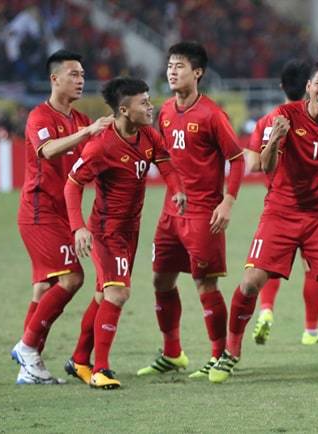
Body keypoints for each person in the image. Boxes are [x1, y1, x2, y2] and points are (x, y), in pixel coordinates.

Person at [208, 59, 318, 385]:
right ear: (308, 88)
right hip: (281, 211)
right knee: (249, 283)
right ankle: (230, 354)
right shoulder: (283, 117)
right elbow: (266, 165)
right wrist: (274, 140)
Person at [63, 77, 186, 389]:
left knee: (103, 295)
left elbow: (166, 165)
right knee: (118, 293)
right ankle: (101, 369)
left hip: (131, 231)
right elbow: (73, 184)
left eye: (148, 100)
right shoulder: (101, 145)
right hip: (106, 231)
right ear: (124, 110)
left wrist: (176, 191)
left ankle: (79, 360)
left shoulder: (148, 135)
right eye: (143, 102)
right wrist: (79, 227)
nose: (150, 106)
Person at [136, 41, 245, 379]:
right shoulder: (165, 111)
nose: (172, 71)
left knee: (205, 285)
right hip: (171, 213)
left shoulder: (213, 114)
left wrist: (227, 201)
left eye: (180, 66)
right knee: (160, 280)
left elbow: (238, 160)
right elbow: (163, 156)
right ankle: (172, 353)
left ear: (197, 72)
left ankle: (217, 355)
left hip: (203, 213)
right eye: (170, 65)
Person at [10, 49, 112, 385]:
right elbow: (49, 150)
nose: (81, 80)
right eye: (73, 74)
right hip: (39, 211)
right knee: (72, 278)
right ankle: (27, 347)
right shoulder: (40, 116)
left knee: (44, 287)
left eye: (82, 75)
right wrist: (87, 134)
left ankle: (30, 366)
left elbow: (92, 158)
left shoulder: (80, 119)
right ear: (55, 79)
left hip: (61, 212)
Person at [247, 59, 318, 347]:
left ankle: (266, 310)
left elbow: (255, 164)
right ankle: (310, 330)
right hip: (312, 208)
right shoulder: (316, 121)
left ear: (281, 86)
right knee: (313, 269)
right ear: (310, 86)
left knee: (269, 265)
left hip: (277, 207)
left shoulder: (266, 121)